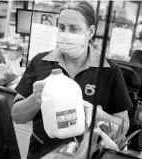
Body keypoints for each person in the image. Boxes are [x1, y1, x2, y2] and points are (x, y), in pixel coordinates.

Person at [11, 1, 132, 158]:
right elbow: (17, 116)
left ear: (91, 31)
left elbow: (123, 126)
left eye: (74, 29)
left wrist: (99, 115)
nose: (66, 34)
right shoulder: (40, 62)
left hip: (86, 154)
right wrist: (36, 98)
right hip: (42, 153)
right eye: (62, 27)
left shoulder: (109, 70)